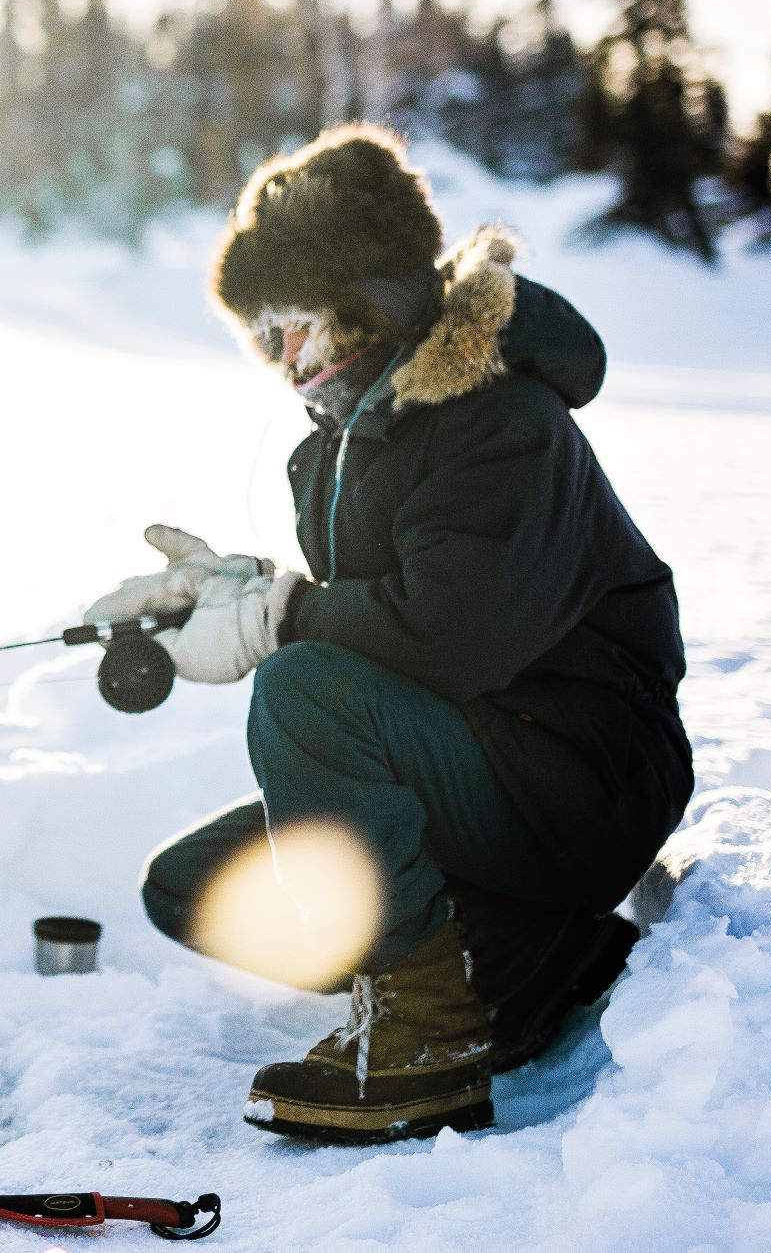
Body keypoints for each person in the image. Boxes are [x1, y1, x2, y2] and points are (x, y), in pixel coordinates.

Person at [88, 124, 690, 1144]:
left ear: (366, 297)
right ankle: (525, 963)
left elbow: (449, 634)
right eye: (262, 336)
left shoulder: (497, 416)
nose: (281, 362)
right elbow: (377, 628)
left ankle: (433, 1040)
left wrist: (281, 618)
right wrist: (238, 593)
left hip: (584, 777)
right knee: (195, 886)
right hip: (482, 766)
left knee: (300, 690)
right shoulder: (336, 452)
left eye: (295, 326)